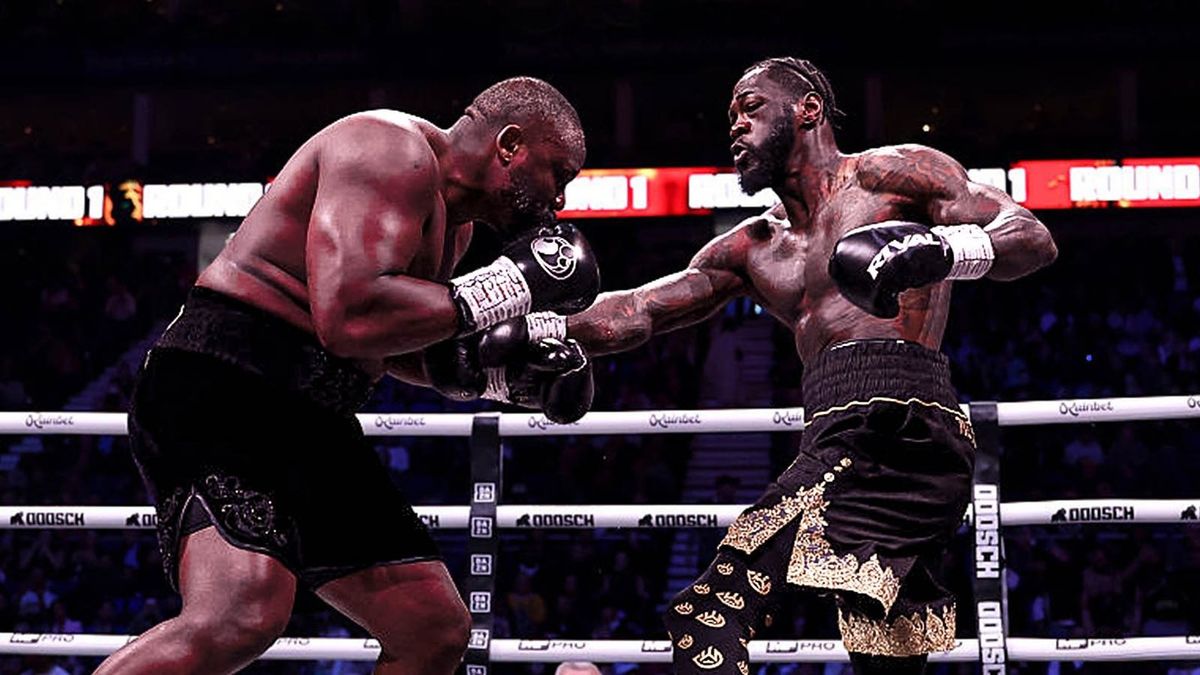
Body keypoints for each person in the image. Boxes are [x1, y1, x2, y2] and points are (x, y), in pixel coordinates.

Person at [491, 57, 1058, 674]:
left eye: (751, 107)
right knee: (888, 660)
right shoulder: (755, 246)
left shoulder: (889, 174)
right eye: (731, 114)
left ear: (807, 108)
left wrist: (941, 249)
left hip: (900, 421)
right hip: (833, 428)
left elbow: (1030, 236)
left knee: (709, 614)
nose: (735, 125)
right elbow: (644, 308)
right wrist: (532, 327)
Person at [98, 76, 600, 675]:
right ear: (511, 145)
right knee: (239, 616)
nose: (558, 202)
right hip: (228, 382)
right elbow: (350, 316)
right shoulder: (388, 149)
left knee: (433, 630)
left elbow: (389, 342)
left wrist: (487, 378)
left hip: (312, 414)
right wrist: (511, 285)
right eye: (558, 174)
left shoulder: (456, 229)